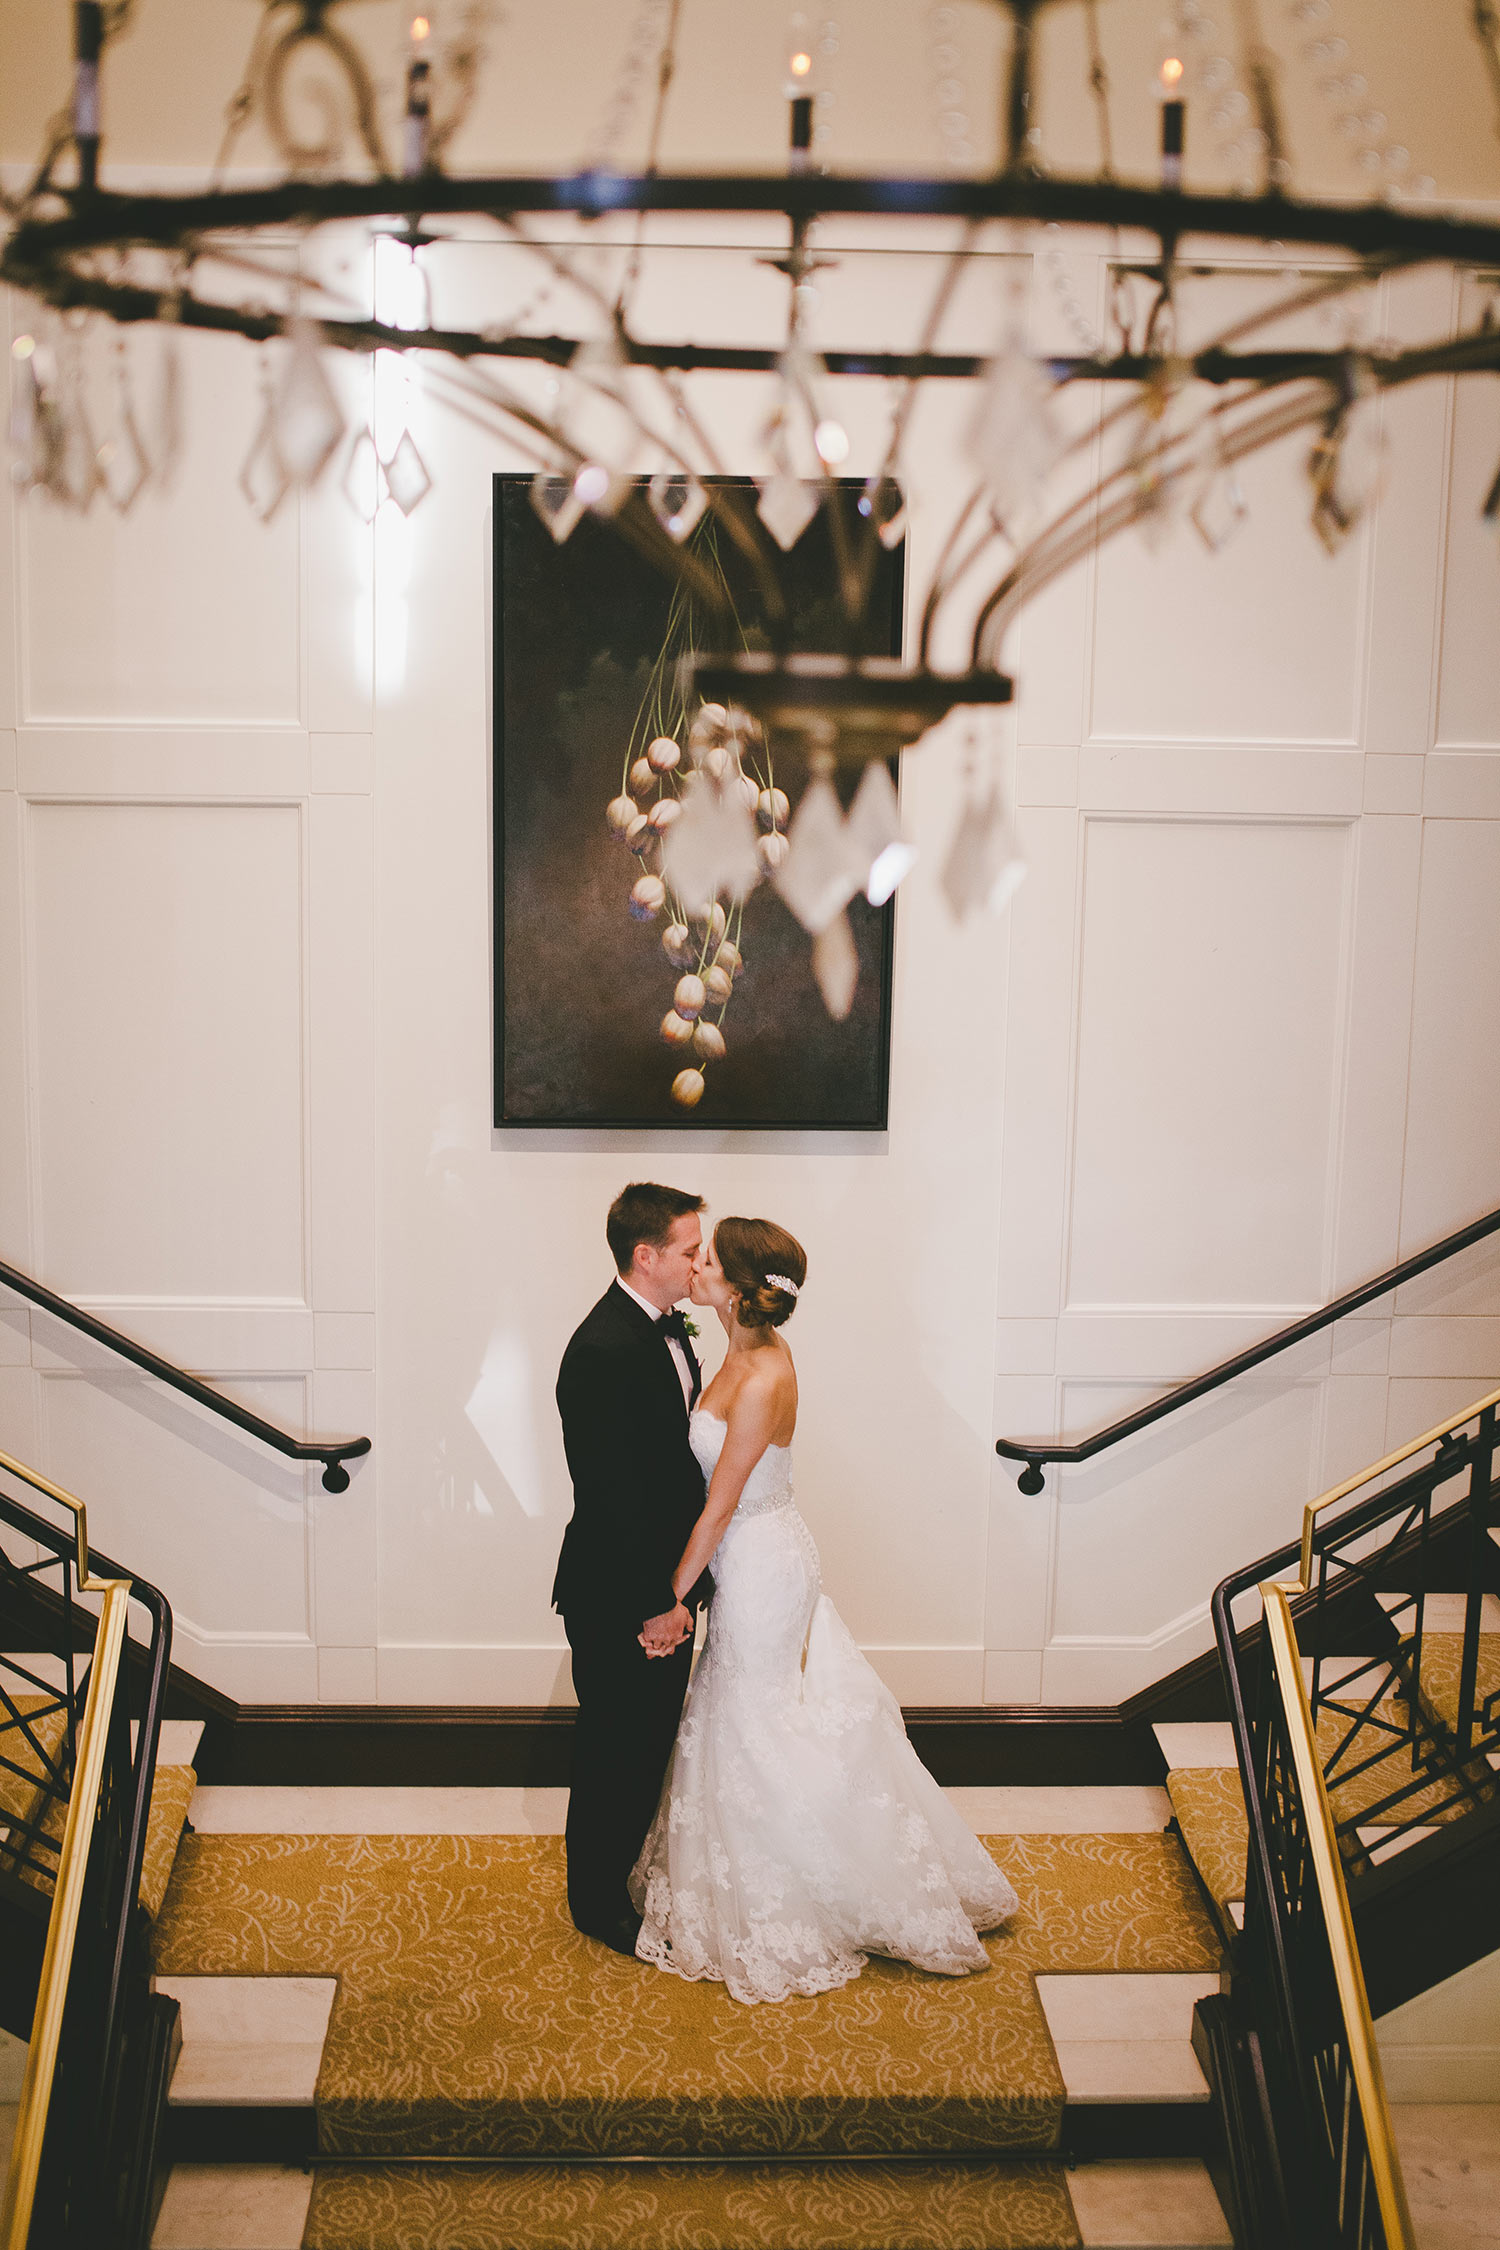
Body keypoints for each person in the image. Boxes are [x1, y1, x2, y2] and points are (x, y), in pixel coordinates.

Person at [630, 1215, 1019, 2004]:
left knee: (759, 1720)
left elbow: (719, 1508)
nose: (695, 1269)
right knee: (751, 1714)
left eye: (707, 1262)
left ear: (737, 1291)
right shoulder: (745, 1349)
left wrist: (668, 1599)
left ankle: (815, 1890)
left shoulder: (766, 1372)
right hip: (757, 1552)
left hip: (761, 1561)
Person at [553, 1181, 713, 1957]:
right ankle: (594, 1902)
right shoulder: (604, 1350)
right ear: (645, 1256)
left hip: (661, 1584)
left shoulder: (664, 1328)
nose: (701, 1263)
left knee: (646, 1744)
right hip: (622, 1591)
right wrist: (659, 1602)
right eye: (690, 1251)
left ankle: (618, 1876)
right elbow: (614, 1497)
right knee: (616, 1747)